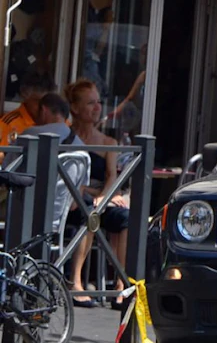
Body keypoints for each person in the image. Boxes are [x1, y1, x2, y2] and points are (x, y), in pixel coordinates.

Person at [21, 93, 95, 307]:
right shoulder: (81, 147)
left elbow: (8, 173)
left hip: (25, 215)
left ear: (44, 110)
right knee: (88, 211)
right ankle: (71, 279)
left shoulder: (30, 135)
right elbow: (75, 201)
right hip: (58, 219)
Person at [65, 79, 130, 309]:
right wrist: (94, 194)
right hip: (71, 203)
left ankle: (122, 285)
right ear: (74, 108)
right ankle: (76, 281)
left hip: (98, 201)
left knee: (125, 217)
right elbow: (71, 178)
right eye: (90, 103)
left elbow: (112, 176)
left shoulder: (107, 142)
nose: (97, 108)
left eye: (99, 102)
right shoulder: (68, 137)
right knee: (89, 212)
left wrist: (103, 196)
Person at [0, 70, 55, 145]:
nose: (44, 109)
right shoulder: (8, 124)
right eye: (38, 102)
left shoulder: (60, 122)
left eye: (48, 102)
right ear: (24, 94)